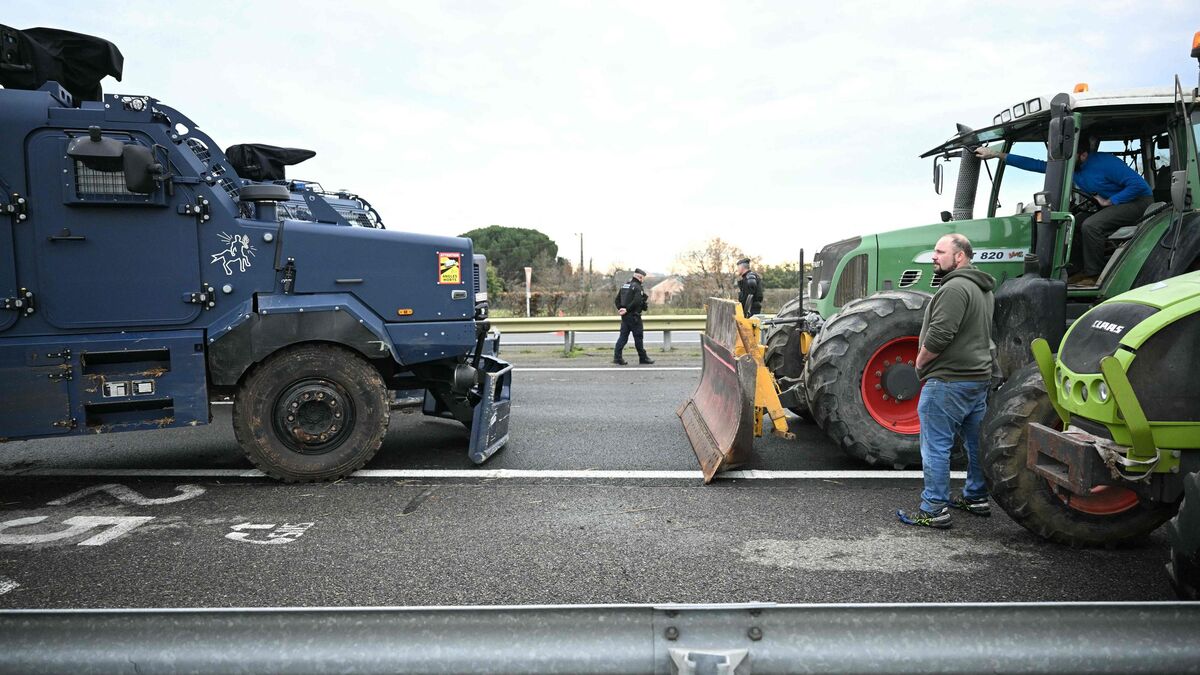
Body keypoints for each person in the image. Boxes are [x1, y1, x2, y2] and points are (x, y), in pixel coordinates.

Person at [898, 234, 995, 529]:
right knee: (975, 443)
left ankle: (934, 509)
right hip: (977, 378)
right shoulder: (984, 289)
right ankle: (976, 497)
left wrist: (920, 361)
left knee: (936, 446)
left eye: (940, 252)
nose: (934, 257)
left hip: (949, 380)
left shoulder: (954, 288)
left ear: (960, 256)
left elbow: (941, 334)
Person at [976, 137, 1152, 286]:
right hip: (1114, 204)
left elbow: (1139, 185)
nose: (1065, 161)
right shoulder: (1072, 167)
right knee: (1072, 222)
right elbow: (1037, 165)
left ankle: (1094, 275)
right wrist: (998, 155)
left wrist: (1111, 201)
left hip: (1138, 202)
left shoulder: (1105, 163)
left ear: (1083, 155)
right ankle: (1078, 270)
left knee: (1091, 226)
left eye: (1070, 156)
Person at [613, 268, 654, 366]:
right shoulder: (638, 287)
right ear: (639, 277)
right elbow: (636, 301)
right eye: (643, 278)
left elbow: (617, 300)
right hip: (635, 317)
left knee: (623, 337)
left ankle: (617, 357)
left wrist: (621, 309)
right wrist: (627, 309)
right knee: (638, 338)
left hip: (625, 317)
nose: (643, 280)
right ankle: (643, 358)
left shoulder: (625, 285)